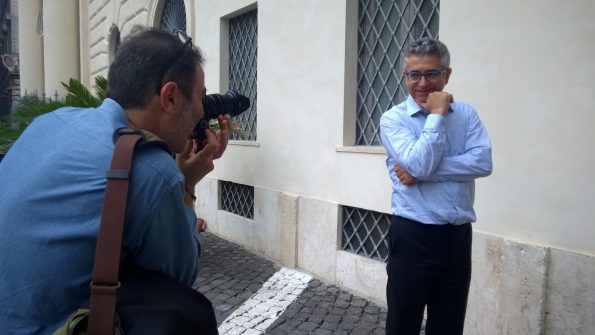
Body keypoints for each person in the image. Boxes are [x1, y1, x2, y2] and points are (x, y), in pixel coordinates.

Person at [0, 27, 229, 334]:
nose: (203, 110)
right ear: (170, 97)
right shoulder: (152, 170)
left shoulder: (49, 122)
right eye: (201, 96)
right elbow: (177, 278)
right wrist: (186, 183)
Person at [380, 37, 493, 335]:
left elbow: (483, 163)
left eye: (431, 73)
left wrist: (423, 172)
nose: (422, 83)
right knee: (403, 324)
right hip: (414, 235)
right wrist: (438, 115)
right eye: (414, 74)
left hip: (457, 236)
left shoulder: (467, 114)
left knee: (448, 325)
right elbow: (418, 164)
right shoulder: (393, 119)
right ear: (405, 75)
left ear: (447, 75)